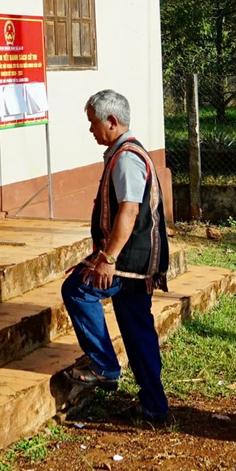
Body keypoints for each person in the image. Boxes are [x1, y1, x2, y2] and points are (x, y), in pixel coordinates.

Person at [61, 89, 172, 427]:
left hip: (128, 262)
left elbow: (129, 210)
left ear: (112, 121)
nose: (91, 130)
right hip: (137, 261)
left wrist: (107, 259)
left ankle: (104, 365)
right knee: (138, 333)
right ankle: (155, 410)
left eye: (94, 123)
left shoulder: (126, 157)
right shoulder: (125, 153)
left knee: (78, 291)